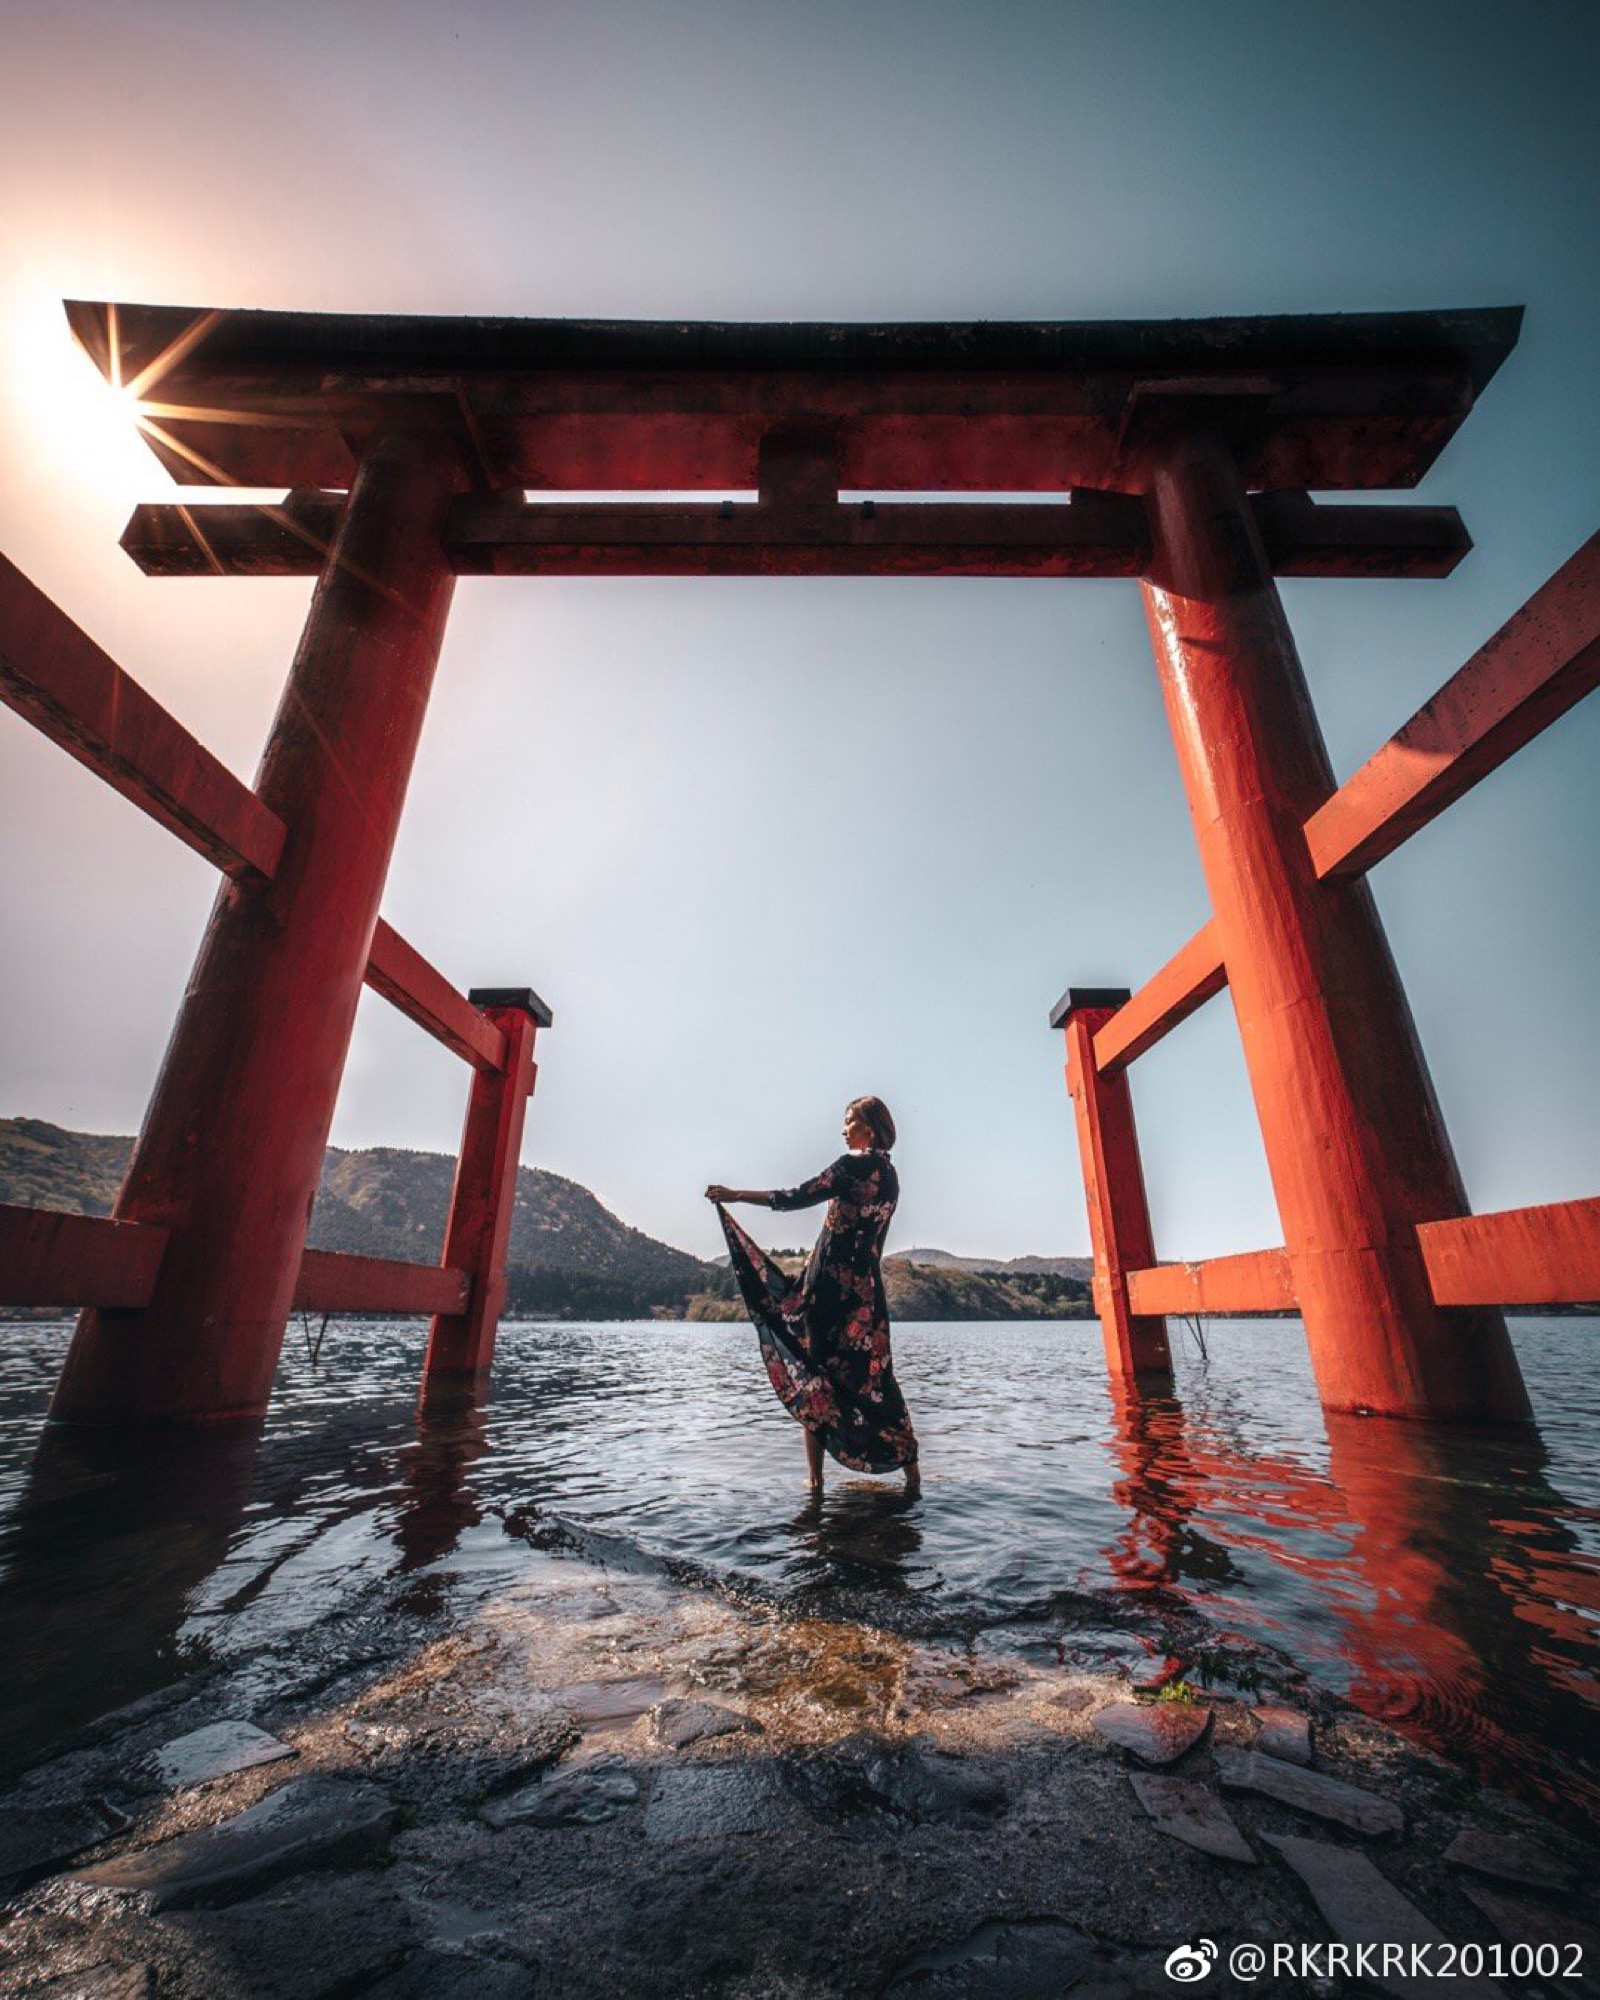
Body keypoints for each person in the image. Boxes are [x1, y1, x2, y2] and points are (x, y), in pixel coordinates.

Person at [706, 1096, 920, 1498]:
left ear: (868, 1129)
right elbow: (878, 1242)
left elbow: (793, 1197)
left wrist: (736, 1196)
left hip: (826, 1293)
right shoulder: (891, 1178)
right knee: (877, 1378)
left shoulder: (850, 1166)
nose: (843, 1130)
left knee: (814, 1374)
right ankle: (912, 1477)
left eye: (848, 1122)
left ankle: (815, 1483)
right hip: (866, 1295)